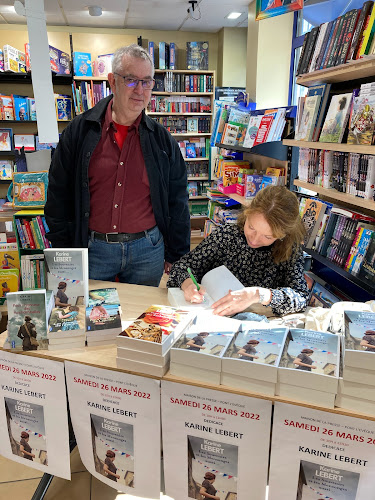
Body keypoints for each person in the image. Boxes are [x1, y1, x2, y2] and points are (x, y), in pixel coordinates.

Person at [45, 44, 190, 287]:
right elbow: (58, 194)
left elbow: (177, 200)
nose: (140, 90)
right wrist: (65, 251)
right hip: (92, 249)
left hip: (148, 251)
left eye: (147, 82)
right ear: (112, 81)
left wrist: (177, 253)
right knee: (91, 318)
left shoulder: (163, 141)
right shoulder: (79, 132)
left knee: (141, 322)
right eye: (131, 80)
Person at [167, 185, 309, 317]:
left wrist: (258, 294)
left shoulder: (290, 249)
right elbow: (181, 268)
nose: (254, 239)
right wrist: (188, 286)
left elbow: (301, 297)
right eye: (251, 227)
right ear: (246, 214)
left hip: (259, 325)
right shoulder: (226, 235)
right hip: (214, 317)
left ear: (283, 234)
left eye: (267, 236)